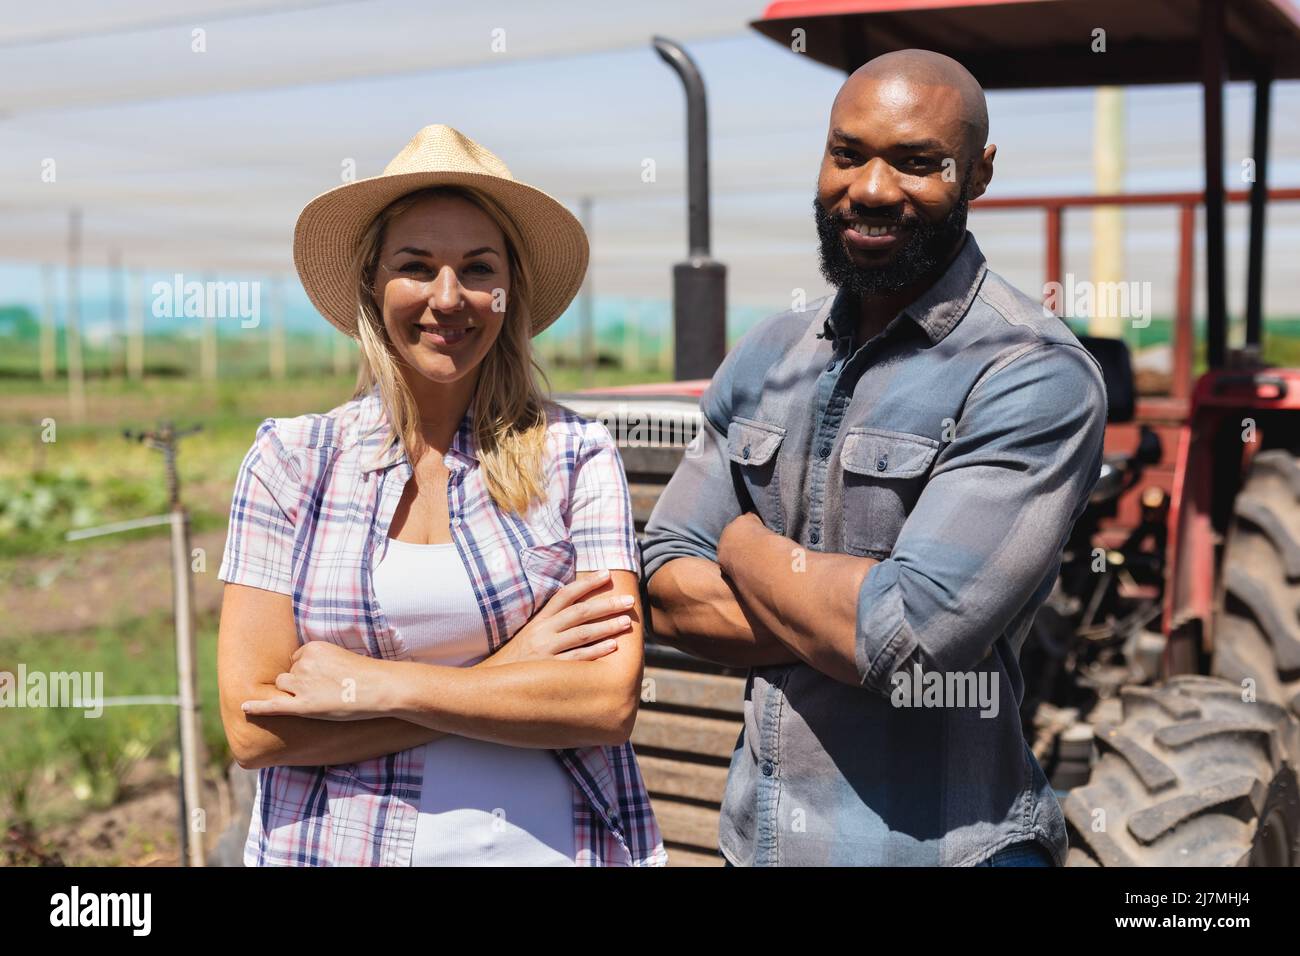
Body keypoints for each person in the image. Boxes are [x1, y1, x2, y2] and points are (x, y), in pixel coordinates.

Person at [640, 50, 1107, 866]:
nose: (873, 189)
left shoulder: (1029, 372)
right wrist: (838, 618)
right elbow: (667, 592)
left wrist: (745, 549)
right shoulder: (764, 356)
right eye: (848, 154)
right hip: (759, 844)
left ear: (980, 174)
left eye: (918, 163)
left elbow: (908, 642)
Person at [216, 124, 665, 866]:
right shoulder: (291, 463)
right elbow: (255, 730)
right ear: (373, 284)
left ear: (508, 289)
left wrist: (371, 685)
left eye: (477, 268)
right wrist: (511, 673)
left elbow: (607, 704)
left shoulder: (577, 455)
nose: (447, 298)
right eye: (417, 266)